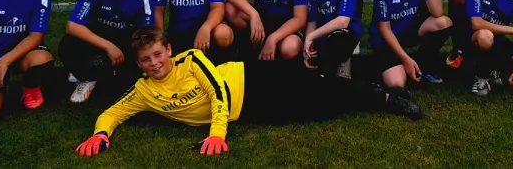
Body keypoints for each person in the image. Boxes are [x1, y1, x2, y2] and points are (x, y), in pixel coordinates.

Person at [74, 26, 421, 158]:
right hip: (251, 108)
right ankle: (374, 92)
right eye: (146, 60)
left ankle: (385, 98)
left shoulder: (190, 59)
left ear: (168, 49)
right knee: (318, 109)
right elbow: (113, 112)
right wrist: (101, 134)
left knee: (320, 88)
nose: (154, 63)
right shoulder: (143, 91)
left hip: (250, 78)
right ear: (139, 64)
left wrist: (216, 134)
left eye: (158, 54)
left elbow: (217, 93)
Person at [59, 0, 155, 103]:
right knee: (68, 45)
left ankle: (110, 74)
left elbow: (147, 35)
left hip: (127, 42)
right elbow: (72, 26)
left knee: (123, 86)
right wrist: (108, 46)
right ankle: (87, 77)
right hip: (99, 37)